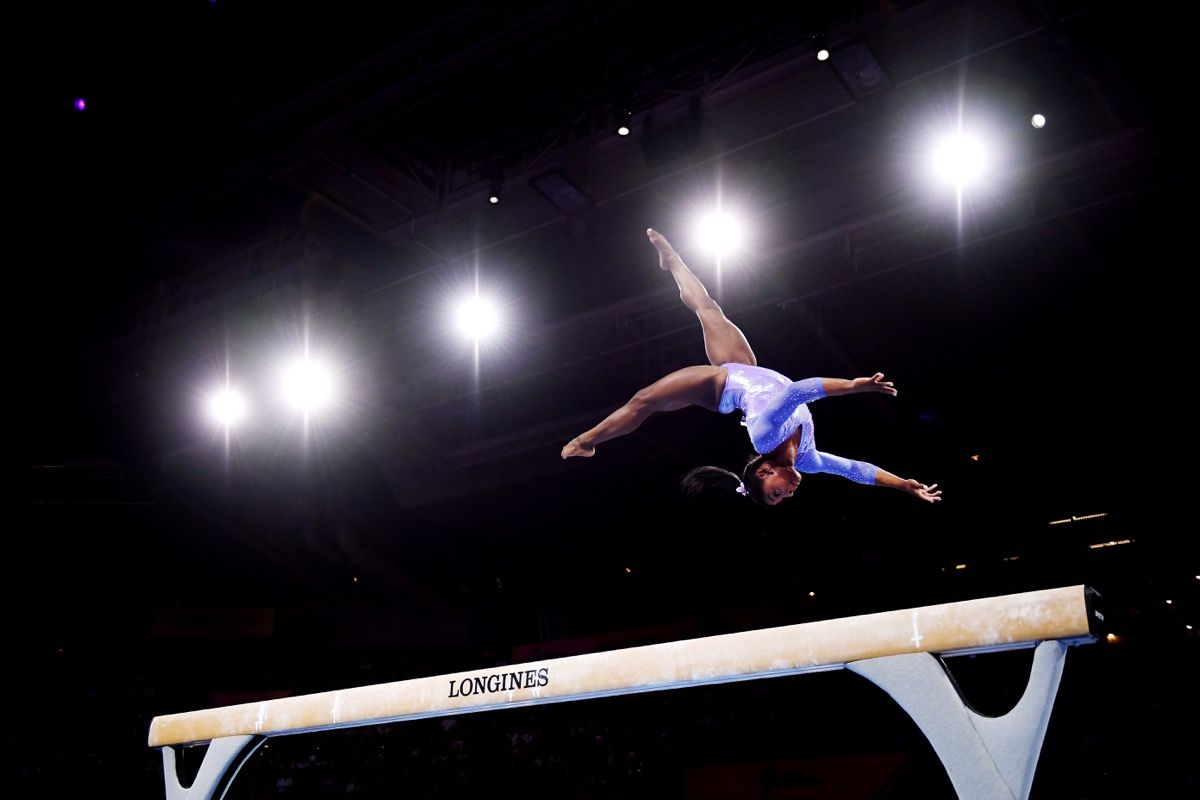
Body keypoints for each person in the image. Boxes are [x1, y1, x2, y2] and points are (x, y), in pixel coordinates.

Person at [561, 229, 942, 506]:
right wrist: (903, 485)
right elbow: (855, 469)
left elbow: (796, 391)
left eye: (777, 493)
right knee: (709, 307)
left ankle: (585, 442)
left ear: (763, 472)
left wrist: (855, 386)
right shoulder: (807, 459)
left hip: (721, 384)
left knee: (645, 400)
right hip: (746, 369)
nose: (788, 492)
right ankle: (673, 261)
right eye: (784, 498)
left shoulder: (766, 435)